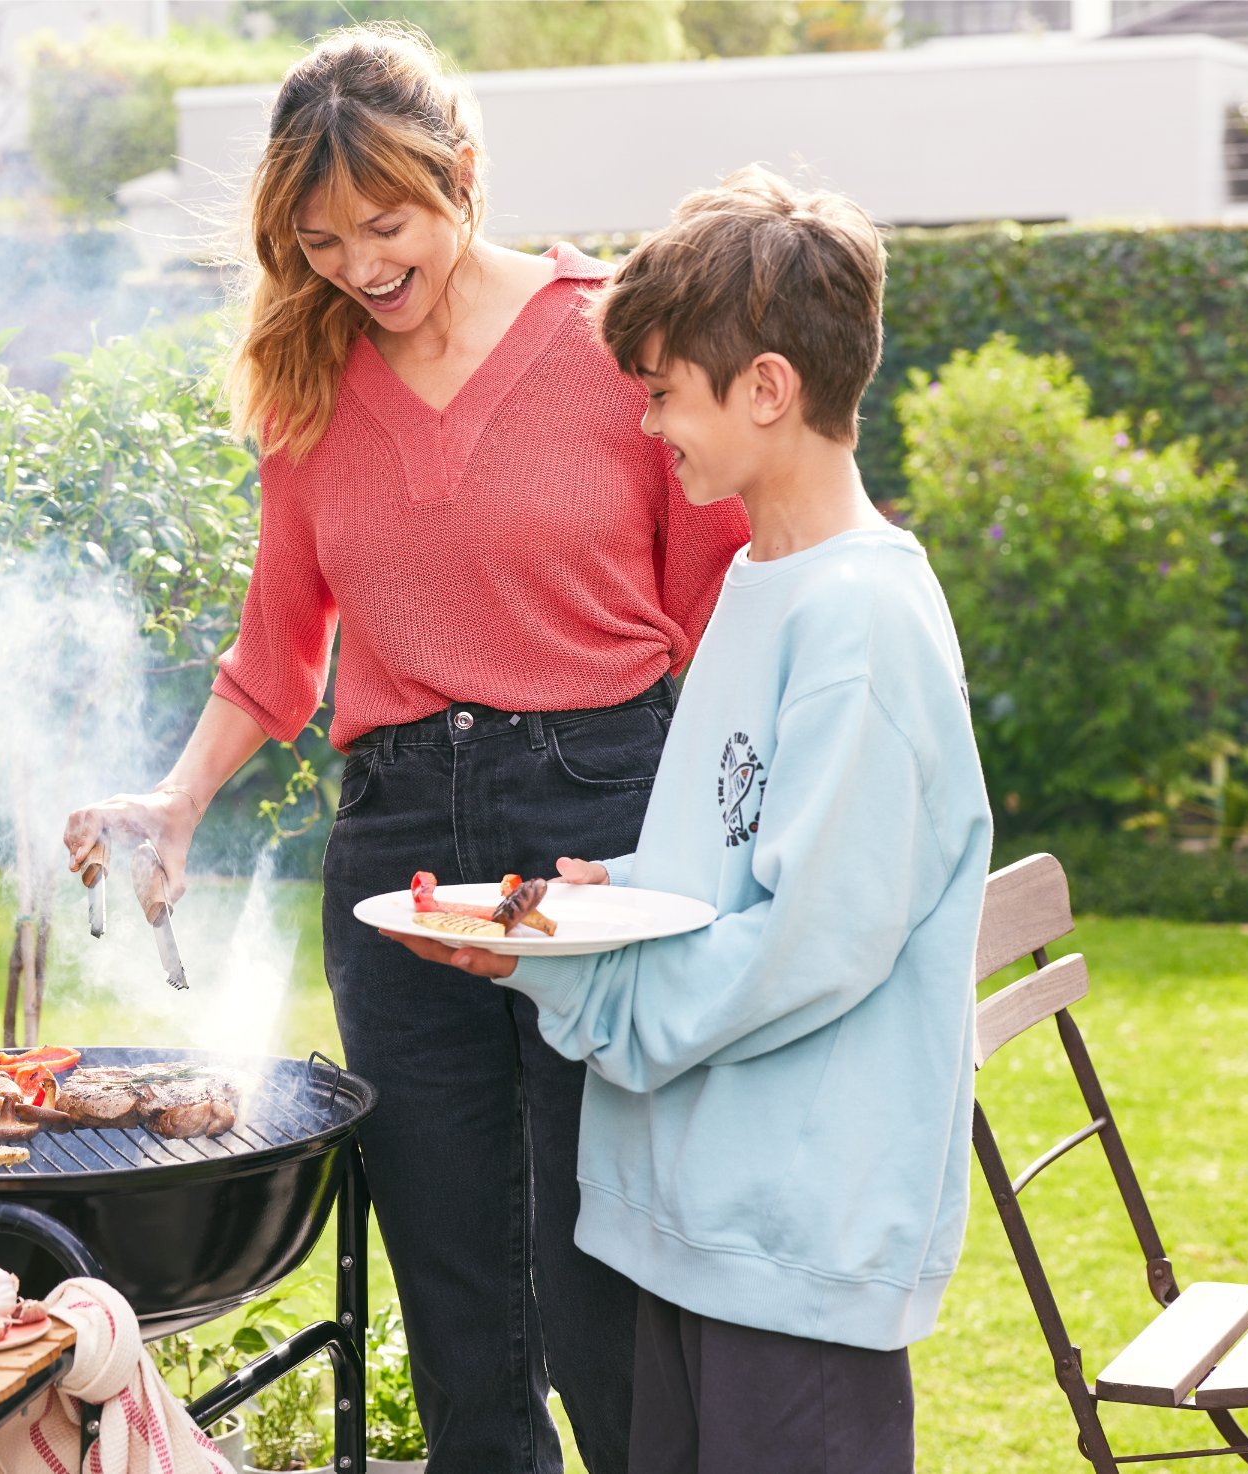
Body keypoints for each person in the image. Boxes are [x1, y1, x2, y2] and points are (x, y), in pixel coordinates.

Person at [62, 25, 747, 1474]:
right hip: (396, 853)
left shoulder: (616, 334)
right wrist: (173, 804)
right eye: (319, 241)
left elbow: (718, 611)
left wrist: (708, 843)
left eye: (388, 224)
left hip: (595, 826)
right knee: (449, 1275)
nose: (360, 265)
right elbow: (274, 649)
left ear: (462, 181)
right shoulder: (308, 386)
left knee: (598, 1260)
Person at [386, 166, 994, 1474]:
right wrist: (566, 918)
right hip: (695, 1216)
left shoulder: (861, 625)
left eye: (663, 390)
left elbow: (815, 938)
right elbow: (718, 870)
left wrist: (599, 998)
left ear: (765, 388)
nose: (647, 422)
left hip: (793, 1238)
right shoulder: (756, 590)